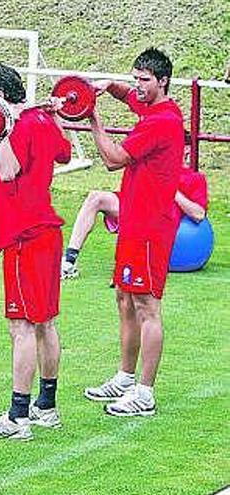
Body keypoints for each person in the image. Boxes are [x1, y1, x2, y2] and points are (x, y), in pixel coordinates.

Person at [82, 48, 185, 417]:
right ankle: (126, 378)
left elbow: (112, 159)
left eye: (144, 80)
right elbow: (131, 99)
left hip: (150, 227)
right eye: (135, 78)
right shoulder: (154, 109)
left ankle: (144, 392)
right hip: (133, 222)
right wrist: (111, 86)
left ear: (163, 82)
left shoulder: (161, 122)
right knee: (125, 298)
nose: (137, 87)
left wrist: (93, 118)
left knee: (147, 306)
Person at [0, 64, 71, 442]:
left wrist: (2, 130)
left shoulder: (20, 126)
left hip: (25, 237)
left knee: (23, 326)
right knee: (45, 322)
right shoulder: (42, 121)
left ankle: (18, 417)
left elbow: (9, 170)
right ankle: (46, 407)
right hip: (46, 234)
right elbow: (63, 154)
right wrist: (51, 115)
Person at [61, 134, 209, 279]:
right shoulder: (152, 167)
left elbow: (199, 215)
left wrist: (172, 190)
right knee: (96, 197)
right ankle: (69, 261)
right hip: (136, 207)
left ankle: (129, 268)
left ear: (186, 150)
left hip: (161, 218)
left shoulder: (195, 179)